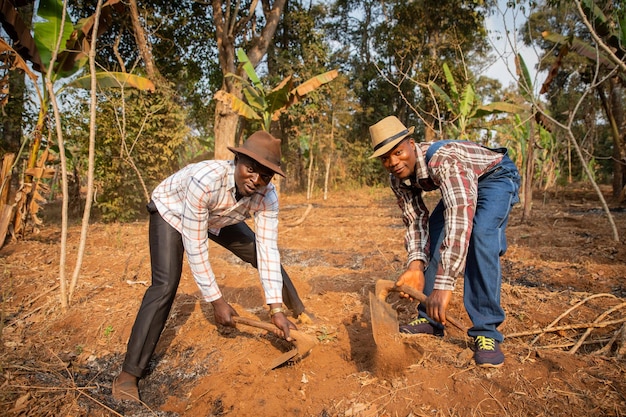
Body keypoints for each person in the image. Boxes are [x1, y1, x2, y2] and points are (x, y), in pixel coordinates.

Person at [112, 131, 306, 402]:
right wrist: (216, 300)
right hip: (174, 210)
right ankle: (128, 375)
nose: (256, 180)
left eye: (266, 176)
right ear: (237, 160)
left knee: (260, 254)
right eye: (251, 170)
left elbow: (268, 250)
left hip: (220, 216)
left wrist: (275, 309)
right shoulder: (206, 181)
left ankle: (298, 310)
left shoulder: (267, 196)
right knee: (165, 284)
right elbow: (195, 245)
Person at [369, 116, 520, 368]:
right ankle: (430, 318)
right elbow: (415, 219)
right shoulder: (398, 178)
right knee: (435, 229)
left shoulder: (444, 160)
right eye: (385, 158)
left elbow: (460, 217)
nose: (393, 162)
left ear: (411, 144)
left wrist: (444, 284)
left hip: (493, 178)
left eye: (398, 152)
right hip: (463, 185)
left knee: (481, 236)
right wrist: (415, 266)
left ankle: (486, 332)